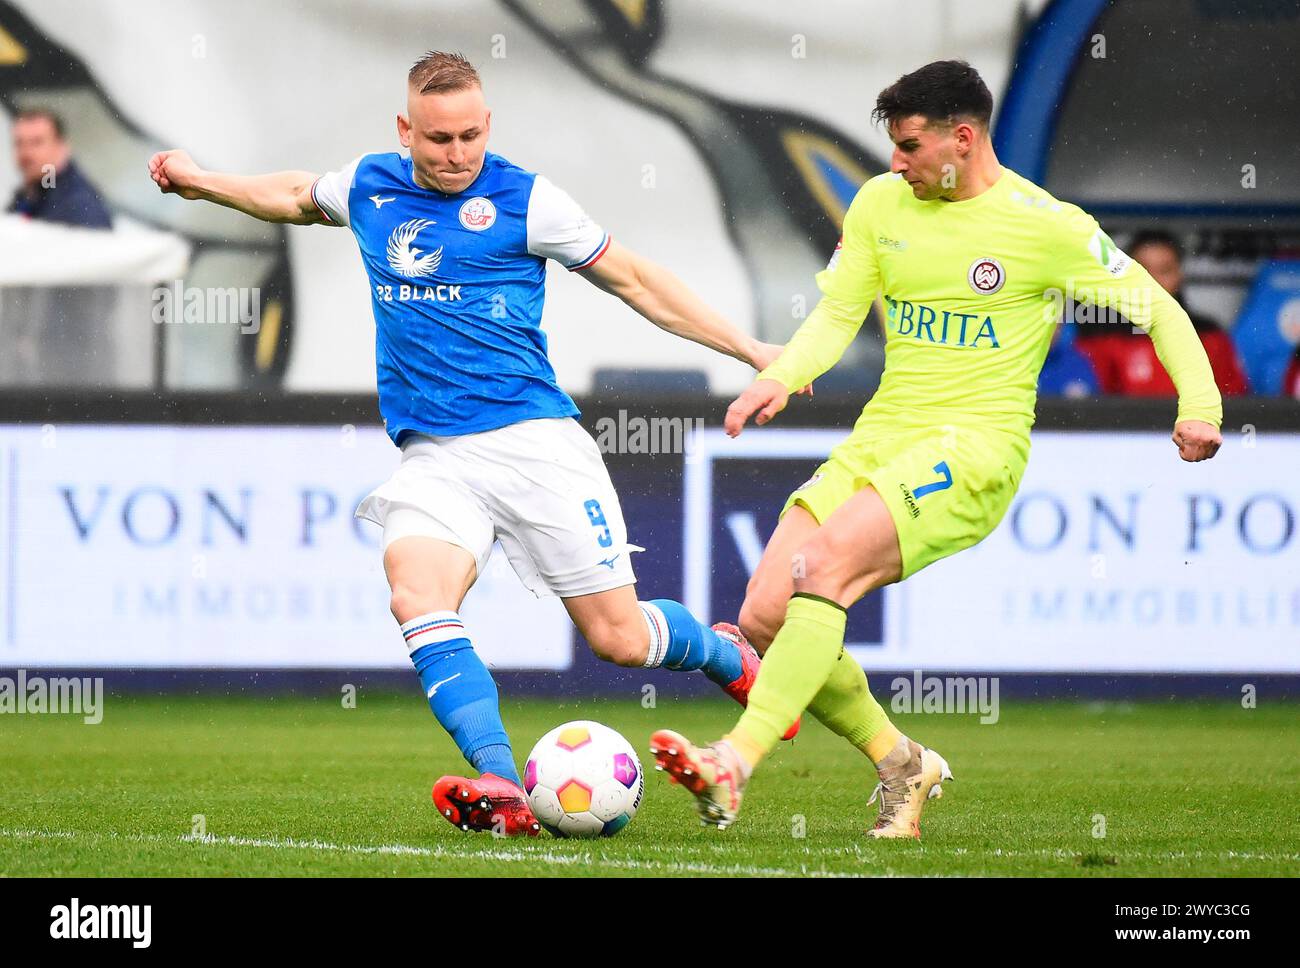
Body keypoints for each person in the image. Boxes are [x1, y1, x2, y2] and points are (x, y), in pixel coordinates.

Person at [148, 50, 796, 838]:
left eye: (470, 137)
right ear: (405, 130)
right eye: (439, 139)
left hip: (535, 444)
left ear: (487, 126)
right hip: (434, 455)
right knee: (415, 595)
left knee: (620, 640)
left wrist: (750, 350)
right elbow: (289, 193)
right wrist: (199, 179)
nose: (457, 155)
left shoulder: (528, 200)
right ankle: (500, 779)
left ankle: (720, 652)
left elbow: (636, 279)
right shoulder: (369, 184)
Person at [650, 60, 1223, 839]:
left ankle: (734, 763)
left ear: (963, 137)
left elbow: (1158, 311)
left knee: (823, 571)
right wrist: (778, 376)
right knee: (764, 614)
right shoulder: (882, 203)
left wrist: (1200, 405)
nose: (894, 162)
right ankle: (902, 761)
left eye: (910, 146)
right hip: (882, 437)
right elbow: (836, 315)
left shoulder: (1046, 225)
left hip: (975, 449)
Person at [1077, 229, 1250, 396]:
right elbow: (1091, 415)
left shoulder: (1209, 337)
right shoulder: (1100, 337)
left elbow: (1234, 404)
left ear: (1179, 275)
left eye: (1164, 270)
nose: (1153, 281)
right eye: (1143, 270)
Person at [7, 108, 112, 228]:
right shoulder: (32, 194)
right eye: (19, 143)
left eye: (36, 142)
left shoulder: (79, 205)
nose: (26, 152)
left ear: (62, 147)